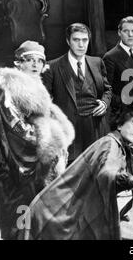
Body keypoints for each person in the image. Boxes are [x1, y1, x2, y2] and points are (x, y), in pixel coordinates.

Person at [20, 108, 133, 240]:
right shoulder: (110, 145)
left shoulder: (115, 144)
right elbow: (107, 174)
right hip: (54, 212)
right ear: (120, 126)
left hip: (56, 206)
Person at [0, 41, 74, 240]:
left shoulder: (36, 86)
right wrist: (48, 141)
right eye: (29, 60)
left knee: (39, 214)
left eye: (39, 61)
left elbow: (45, 119)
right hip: (15, 161)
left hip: (37, 160)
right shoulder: (8, 90)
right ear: (18, 63)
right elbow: (14, 128)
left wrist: (57, 143)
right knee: (20, 212)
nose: (35, 65)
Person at [42, 23, 112, 164]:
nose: (81, 45)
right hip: (70, 129)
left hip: (96, 126)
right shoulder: (53, 67)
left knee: (99, 165)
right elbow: (45, 102)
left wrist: (104, 103)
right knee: (73, 171)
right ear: (68, 41)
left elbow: (107, 89)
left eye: (84, 40)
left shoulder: (97, 62)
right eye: (76, 40)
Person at [103, 16, 133, 128]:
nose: (130, 35)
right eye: (126, 31)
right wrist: (126, 102)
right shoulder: (110, 57)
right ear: (119, 32)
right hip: (121, 115)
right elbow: (107, 91)